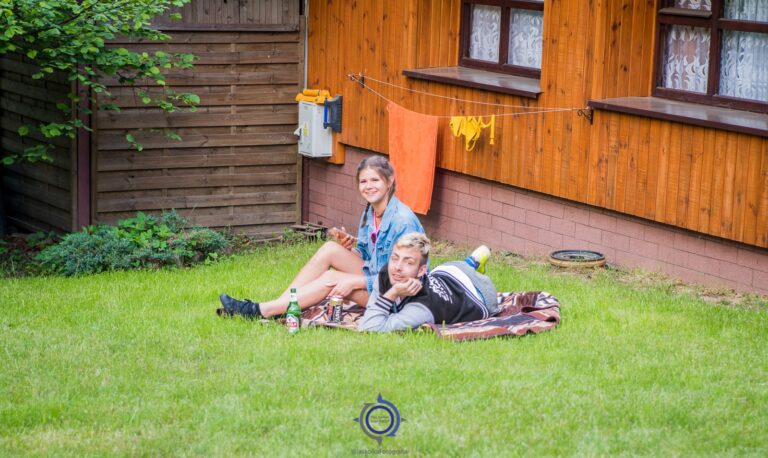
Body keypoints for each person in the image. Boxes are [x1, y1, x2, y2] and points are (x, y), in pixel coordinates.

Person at [218, 156, 426, 318]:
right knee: (330, 249)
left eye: (375, 180)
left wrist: (353, 282)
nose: (368, 186)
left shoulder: (403, 222)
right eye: (363, 181)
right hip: (377, 279)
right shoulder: (370, 212)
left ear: (389, 181)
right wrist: (350, 248)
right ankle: (281, 305)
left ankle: (261, 311)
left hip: (397, 297)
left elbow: (400, 276)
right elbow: (367, 258)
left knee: (331, 279)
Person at [357, 233, 496, 333]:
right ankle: (471, 262)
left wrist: (392, 293)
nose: (397, 267)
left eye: (408, 262)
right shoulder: (386, 274)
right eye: (395, 258)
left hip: (479, 293)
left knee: (461, 271)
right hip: (449, 271)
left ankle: (473, 264)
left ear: (421, 271)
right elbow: (372, 312)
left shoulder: (422, 307)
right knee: (453, 268)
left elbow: (369, 327)